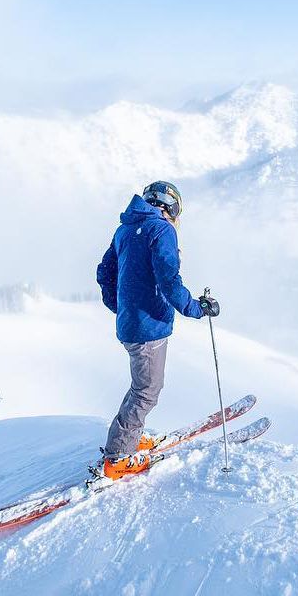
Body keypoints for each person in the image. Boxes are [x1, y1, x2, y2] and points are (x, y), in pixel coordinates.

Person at [96, 181, 220, 479]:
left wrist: (122, 308)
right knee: (147, 391)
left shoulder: (125, 229)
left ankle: (130, 437)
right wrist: (196, 308)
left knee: (142, 386)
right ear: (172, 206)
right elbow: (169, 281)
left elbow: (104, 273)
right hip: (149, 326)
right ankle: (118, 456)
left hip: (133, 323)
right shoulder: (162, 230)